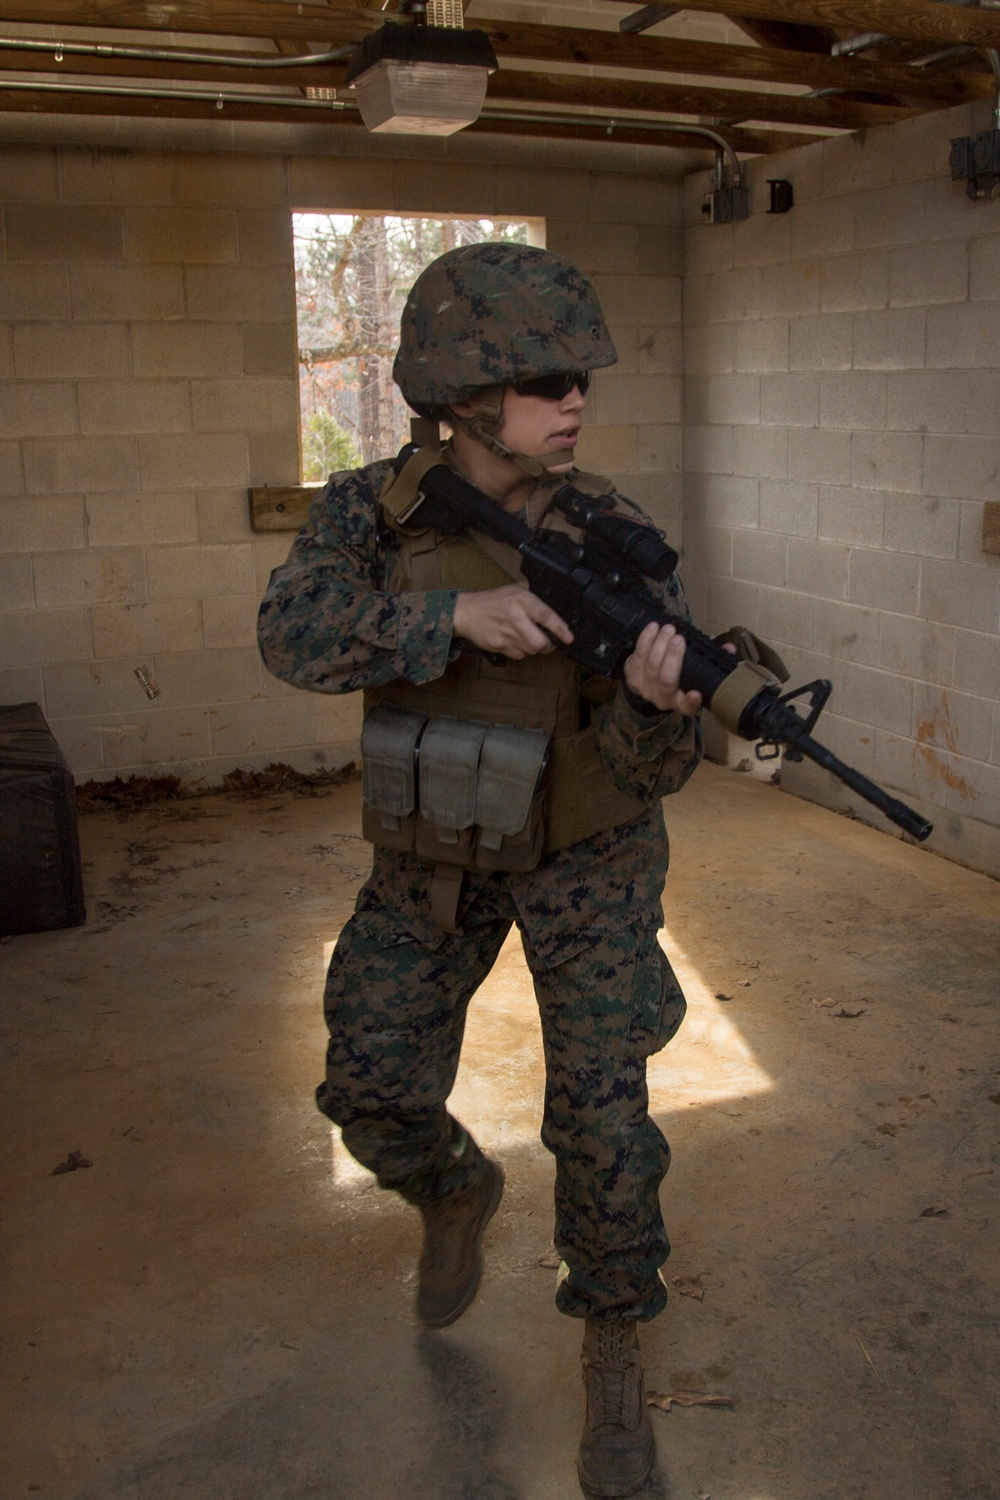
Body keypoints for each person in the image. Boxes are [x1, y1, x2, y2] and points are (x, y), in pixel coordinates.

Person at [257, 243, 707, 1499]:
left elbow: (648, 769)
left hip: (587, 854)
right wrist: (444, 620)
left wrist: (659, 708)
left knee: (605, 1123)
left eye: (581, 381)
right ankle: (454, 1187)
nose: (576, 401)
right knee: (368, 1086)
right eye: (548, 378)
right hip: (438, 842)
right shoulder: (373, 513)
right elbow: (287, 636)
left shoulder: (615, 533)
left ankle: (613, 1340)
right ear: (462, 393)